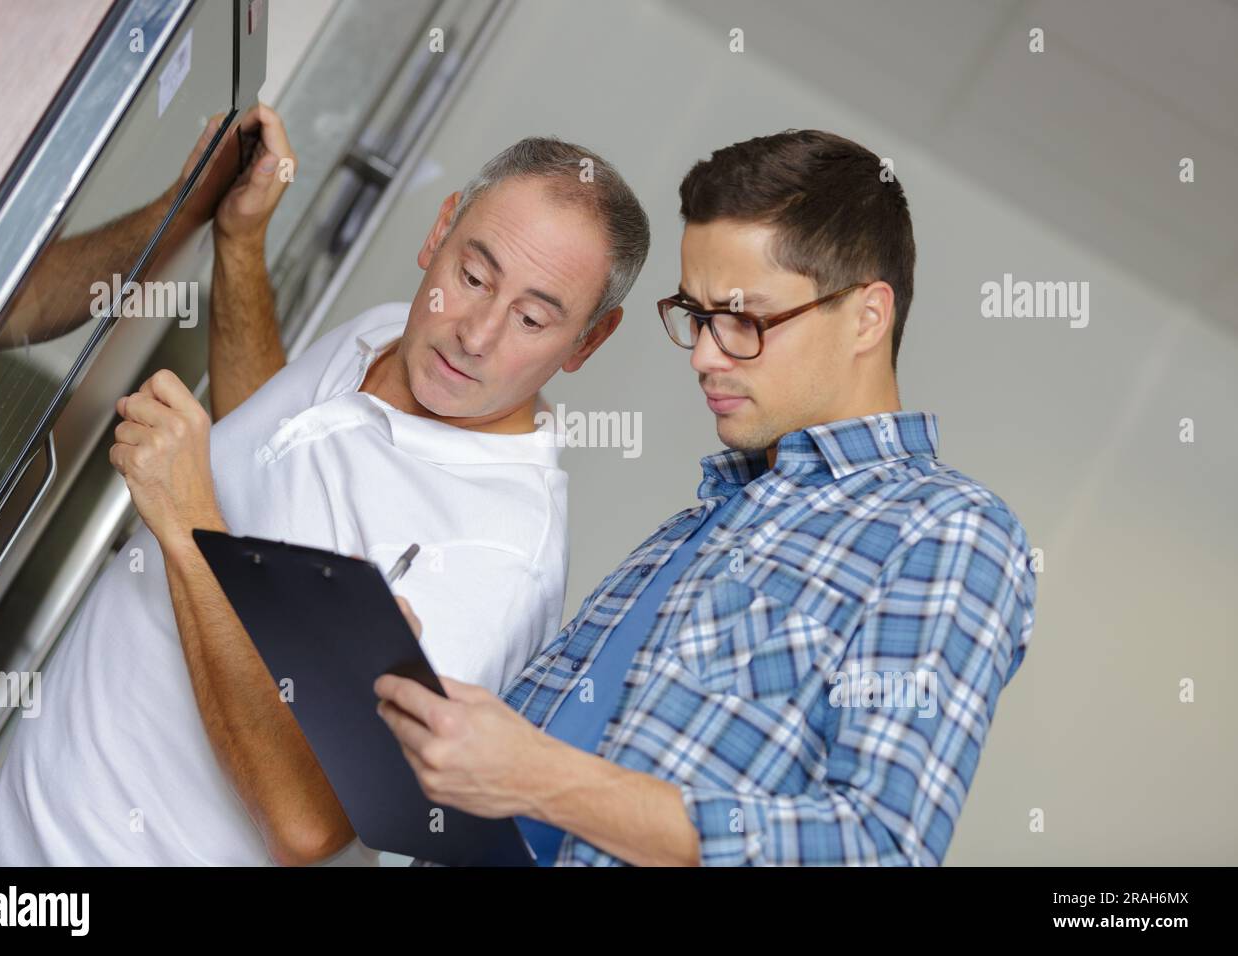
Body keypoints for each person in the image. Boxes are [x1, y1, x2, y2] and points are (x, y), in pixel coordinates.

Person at [0, 108, 650, 866]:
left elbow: (311, 821)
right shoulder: (398, 333)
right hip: (21, 825)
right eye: (473, 276)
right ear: (439, 231)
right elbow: (272, 444)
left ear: (588, 341)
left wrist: (188, 527)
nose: (475, 333)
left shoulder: (494, 563)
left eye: (534, 319)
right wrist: (241, 244)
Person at [373, 129, 1038, 866]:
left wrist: (538, 777)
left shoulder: (947, 530)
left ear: (867, 317)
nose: (703, 354)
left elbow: (876, 847)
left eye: (745, 320)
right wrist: (412, 689)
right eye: (696, 315)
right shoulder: (698, 524)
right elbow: (526, 774)